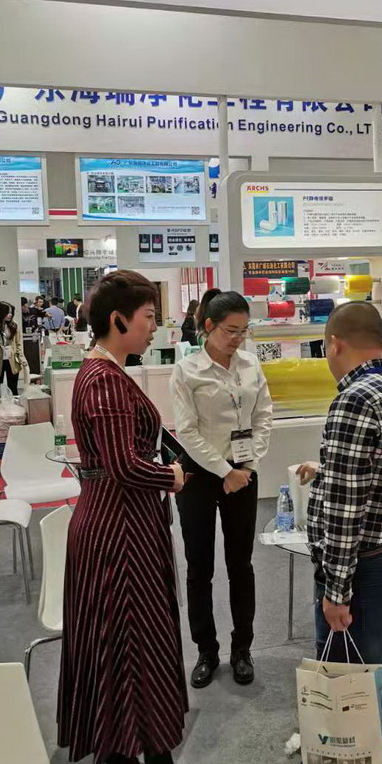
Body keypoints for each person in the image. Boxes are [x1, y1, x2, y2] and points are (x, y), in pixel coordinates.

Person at [235, 302, 382, 764]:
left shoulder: (355, 398)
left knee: (336, 691)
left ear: (334, 344)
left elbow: (343, 511)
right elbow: (375, 481)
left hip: (361, 571)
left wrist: (336, 590)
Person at [57, 270, 217, 764]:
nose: (154, 326)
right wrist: (171, 476)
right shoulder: (104, 380)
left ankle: (120, 754)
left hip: (112, 524)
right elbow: (125, 465)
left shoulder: (101, 372)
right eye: (148, 317)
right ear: (118, 319)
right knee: (141, 642)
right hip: (120, 531)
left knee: (117, 639)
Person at [171, 291, 273, 689]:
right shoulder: (187, 370)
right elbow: (187, 431)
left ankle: (242, 648)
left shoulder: (251, 364)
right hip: (199, 474)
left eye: (244, 331)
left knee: (240, 565)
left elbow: (264, 417)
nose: (238, 339)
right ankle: (206, 650)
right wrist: (224, 470)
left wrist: (245, 468)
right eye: (231, 331)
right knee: (199, 567)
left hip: (243, 473)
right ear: (208, 326)